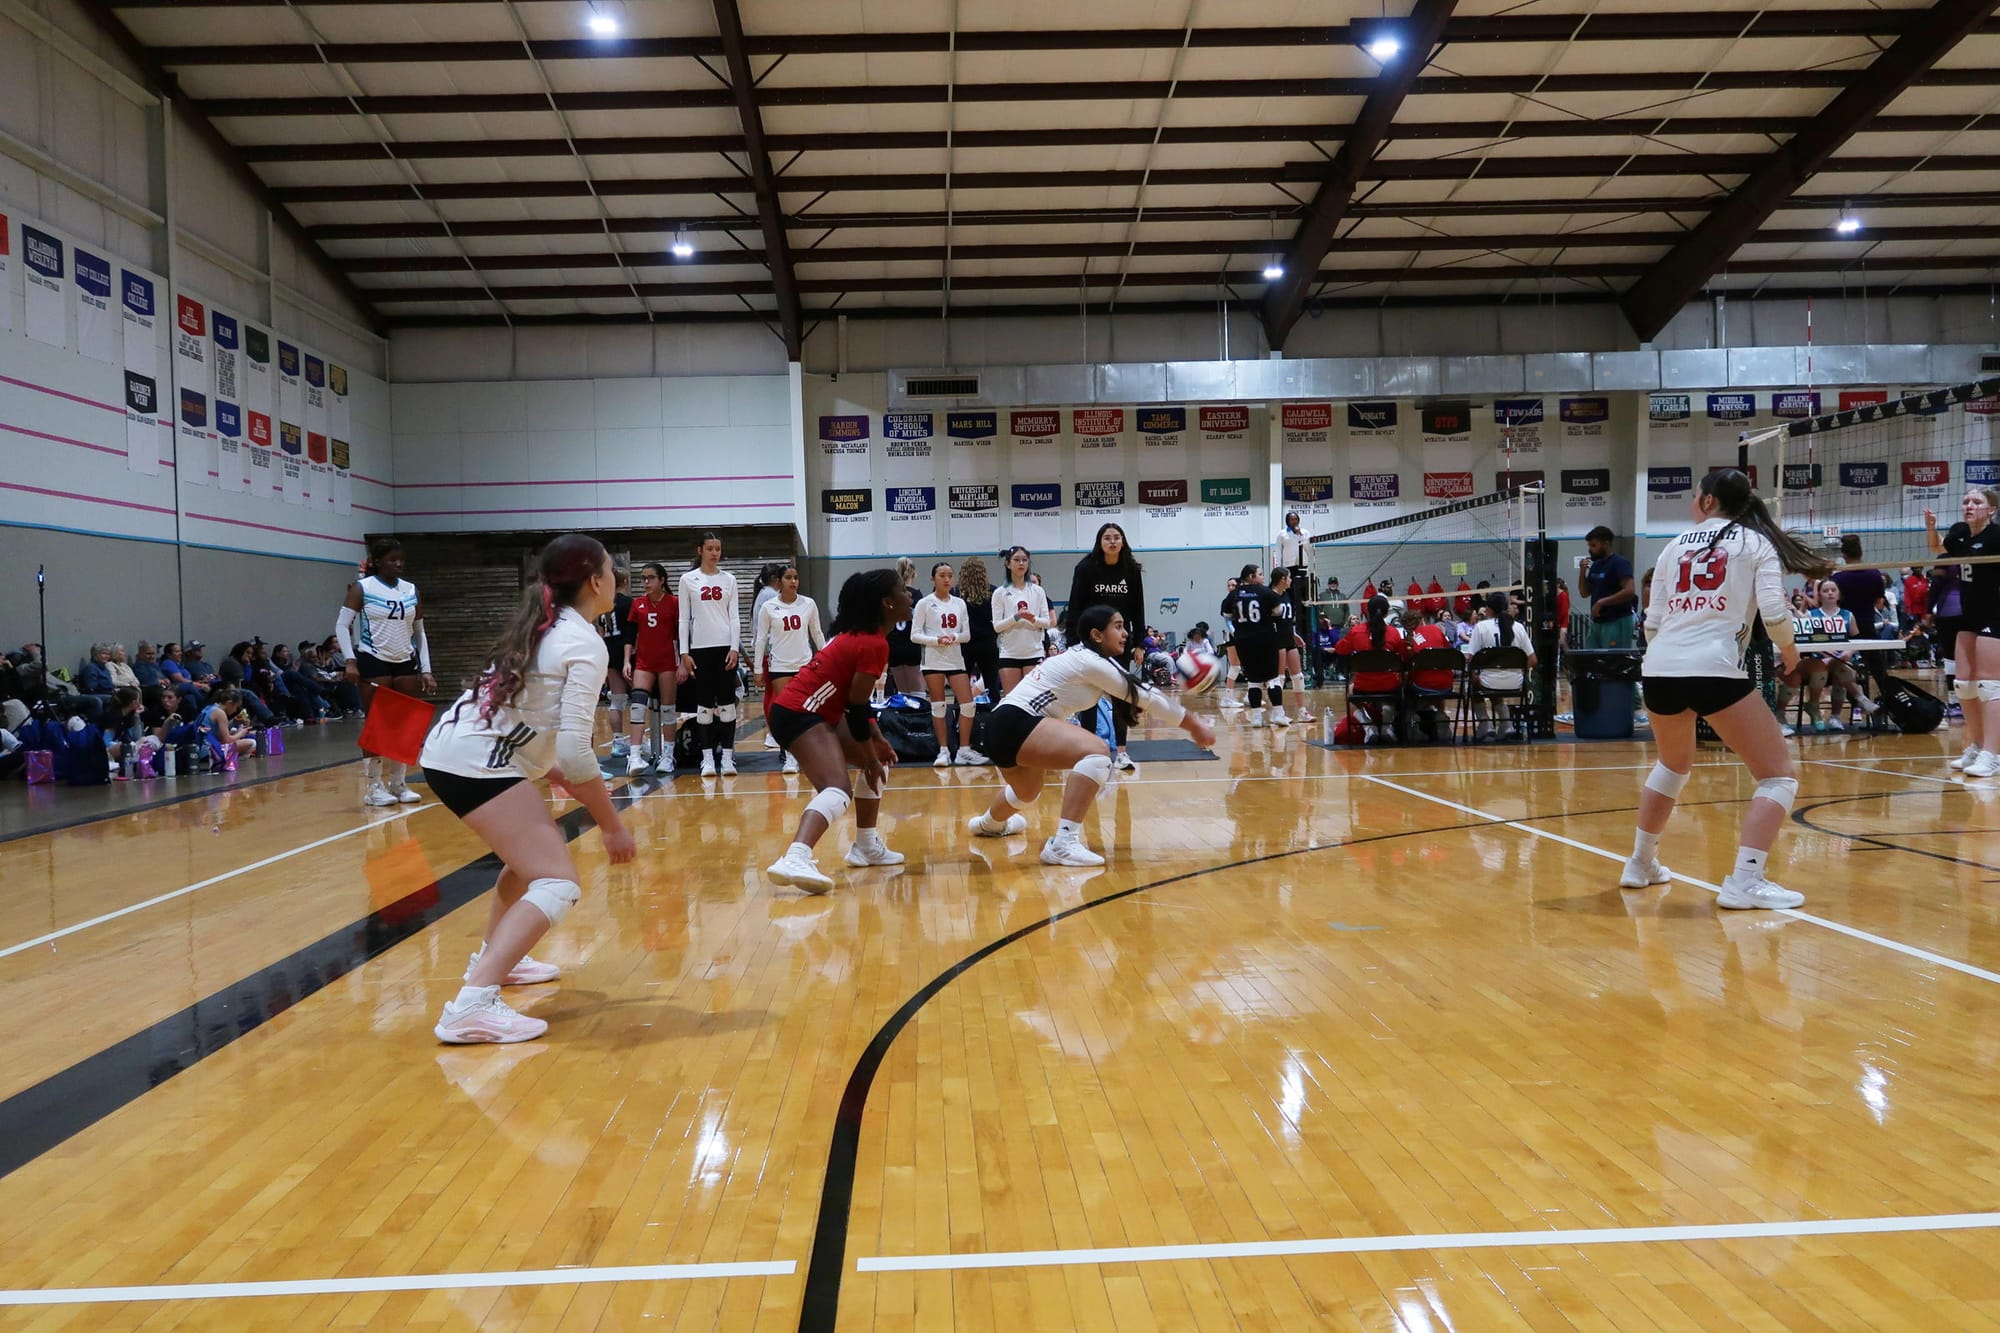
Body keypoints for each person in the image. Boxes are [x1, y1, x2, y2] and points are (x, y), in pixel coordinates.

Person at [421, 533, 635, 1044]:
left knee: (526, 866)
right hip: (475, 762)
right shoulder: (583, 641)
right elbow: (577, 753)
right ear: (595, 581)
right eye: (611, 570)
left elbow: (529, 723)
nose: (617, 579)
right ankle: (472, 1004)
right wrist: (611, 826)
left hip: (452, 751)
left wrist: (554, 772)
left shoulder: (546, 625)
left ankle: (499, 959)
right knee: (558, 882)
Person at [1628, 468, 1829, 909]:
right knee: (1778, 775)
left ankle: (1640, 864)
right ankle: (1745, 881)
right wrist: (1790, 653)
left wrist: (1665, 660)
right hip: (1714, 668)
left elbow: (1652, 623)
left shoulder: (1673, 546)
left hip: (1659, 668)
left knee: (1672, 766)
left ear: (1708, 501)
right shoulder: (1756, 543)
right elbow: (1774, 613)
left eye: (1694, 494)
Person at [967, 605, 1215, 866]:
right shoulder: (1089, 662)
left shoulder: (1092, 660)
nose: (1125, 633)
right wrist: (1194, 725)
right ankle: (1063, 844)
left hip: (1002, 727)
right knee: (1097, 752)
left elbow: (1137, 691)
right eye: (1118, 627)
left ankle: (989, 824)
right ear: (1097, 635)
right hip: (1015, 722)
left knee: (1026, 792)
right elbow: (1146, 696)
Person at [764, 570, 911, 891]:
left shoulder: (864, 638)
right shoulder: (872, 643)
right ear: (887, 603)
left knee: (881, 759)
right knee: (837, 789)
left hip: (812, 711)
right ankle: (795, 857)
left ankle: (866, 846)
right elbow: (856, 708)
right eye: (903, 590)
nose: (909, 595)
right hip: (799, 714)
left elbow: (855, 702)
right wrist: (869, 757)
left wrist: (877, 742)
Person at [338, 537, 435, 806]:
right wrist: (350, 661)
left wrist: (426, 669)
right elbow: (341, 626)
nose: (399, 564)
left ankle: (399, 784)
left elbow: (420, 632)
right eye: (393, 559)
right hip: (373, 659)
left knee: (404, 724)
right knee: (377, 724)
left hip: (405, 660)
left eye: (401, 560)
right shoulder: (363, 588)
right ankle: (373, 788)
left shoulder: (411, 589)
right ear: (378, 561)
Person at [1927, 487, 2000, 776]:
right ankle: (1977, 746)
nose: (1969, 505)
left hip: (1995, 615)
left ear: (1991, 510)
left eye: (1976, 502)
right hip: (1968, 615)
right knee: (1964, 684)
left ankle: (1994, 754)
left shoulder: (1996, 536)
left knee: (1989, 685)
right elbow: (1937, 547)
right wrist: (1931, 527)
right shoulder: (1960, 535)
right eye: (1966, 501)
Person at [1064, 523, 1146, 771]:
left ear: (1123, 542)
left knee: (1121, 695)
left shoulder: (1131, 569)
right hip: (1091, 641)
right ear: (1100, 542)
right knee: (1089, 696)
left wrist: (1139, 643)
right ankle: (1090, 751)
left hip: (1119, 641)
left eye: (1116, 537)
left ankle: (1121, 752)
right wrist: (1072, 642)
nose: (1112, 541)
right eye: (1107, 537)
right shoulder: (1085, 568)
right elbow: (1074, 605)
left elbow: (1138, 607)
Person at [750, 562, 826, 775]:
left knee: (807, 710)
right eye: (788, 578)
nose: (793, 581)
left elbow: (817, 633)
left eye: (796, 578)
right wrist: (757, 669)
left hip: (804, 664)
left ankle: (809, 753)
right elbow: (760, 639)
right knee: (787, 712)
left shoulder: (808, 604)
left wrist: (827, 659)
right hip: (780, 666)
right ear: (779, 581)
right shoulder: (769, 607)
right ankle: (790, 756)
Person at [677, 531, 742, 777]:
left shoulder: (729, 579)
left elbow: (734, 617)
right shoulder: (688, 579)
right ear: (700, 551)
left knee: (727, 706)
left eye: (718, 549)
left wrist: (734, 647)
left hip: (725, 648)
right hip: (700, 650)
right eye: (710, 549)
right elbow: (683, 619)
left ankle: (727, 758)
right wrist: (684, 652)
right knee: (703, 707)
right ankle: (707, 760)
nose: (715, 553)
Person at [912, 561, 986, 766]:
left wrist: (954, 637)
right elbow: (914, 635)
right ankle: (943, 751)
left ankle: (964, 750)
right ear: (933, 579)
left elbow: (967, 635)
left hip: (955, 659)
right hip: (933, 660)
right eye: (942, 575)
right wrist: (936, 640)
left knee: (968, 705)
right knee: (938, 705)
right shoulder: (924, 603)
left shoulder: (959, 603)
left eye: (950, 575)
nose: (946, 579)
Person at [622, 562, 680, 775]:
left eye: (651, 578)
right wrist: (627, 661)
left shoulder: (674, 602)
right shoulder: (638, 604)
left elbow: (681, 633)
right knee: (637, 706)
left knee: (668, 709)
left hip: (668, 663)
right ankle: (634, 756)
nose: (646, 582)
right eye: (643, 578)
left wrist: (683, 662)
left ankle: (668, 755)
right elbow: (630, 636)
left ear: (662, 580)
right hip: (644, 663)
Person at [1463, 590, 1537, 741]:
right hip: (1516, 682)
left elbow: (1470, 659)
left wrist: (1477, 674)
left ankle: (1485, 723)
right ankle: (1506, 723)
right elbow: (1533, 660)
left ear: (1489, 609)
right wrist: (1515, 669)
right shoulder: (1518, 627)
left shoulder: (1481, 627)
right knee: (1495, 683)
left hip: (1489, 681)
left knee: (1472, 684)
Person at [1335, 595, 1409, 742]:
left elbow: (1339, 649)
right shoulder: (1394, 633)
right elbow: (1403, 657)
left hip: (1363, 686)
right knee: (1400, 686)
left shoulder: (1356, 631)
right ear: (1386, 613)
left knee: (1350, 690)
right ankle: (1387, 725)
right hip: (1389, 686)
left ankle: (1369, 726)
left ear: (1367, 612)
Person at [1225, 565, 1289, 727]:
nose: (1263, 577)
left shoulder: (1234, 594)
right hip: (1266, 640)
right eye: (1260, 574)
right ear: (1251, 576)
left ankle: (1256, 718)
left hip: (1244, 642)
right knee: (1273, 678)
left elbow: (1227, 615)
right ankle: (1278, 713)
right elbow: (1277, 613)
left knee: (1253, 681)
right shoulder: (1267, 592)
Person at [992, 546, 1054, 693]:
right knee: (1012, 699)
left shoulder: (1038, 591)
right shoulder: (1000, 593)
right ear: (1008, 564)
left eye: (1024, 560)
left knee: (1033, 699)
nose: (1021, 563)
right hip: (1009, 654)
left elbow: (1047, 622)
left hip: (1034, 653)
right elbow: (997, 626)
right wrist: (1016, 617)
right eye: (1017, 560)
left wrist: (1033, 619)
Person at [596, 563, 635, 760]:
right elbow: (633, 633)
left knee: (617, 699)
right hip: (626, 652)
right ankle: (638, 741)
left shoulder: (603, 606)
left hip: (609, 653)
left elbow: (600, 636)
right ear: (626, 582)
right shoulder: (628, 603)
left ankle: (618, 742)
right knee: (639, 697)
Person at [1270, 567, 1313, 722]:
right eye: (1288, 578)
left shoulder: (1286, 594)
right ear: (1282, 579)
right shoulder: (1270, 596)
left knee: (1298, 676)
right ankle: (1277, 711)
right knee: (1279, 677)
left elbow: (1287, 619)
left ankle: (1302, 711)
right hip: (1277, 639)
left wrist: (1294, 634)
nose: (1290, 581)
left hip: (1288, 637)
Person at [958, 556, 1000, 702]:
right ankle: (994, 713)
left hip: (965, 644)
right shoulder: (993, 591)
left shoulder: (957, 593)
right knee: (992, 685)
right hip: (988, 643)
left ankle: (959, 714)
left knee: (961, 686)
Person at [1830, 534, 1887, 641]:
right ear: (1861, 553)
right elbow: (1879, 602)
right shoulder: (1875, 574)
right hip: (1867, 623)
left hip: (1844, 625)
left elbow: (1832, 603)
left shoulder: (1837, 578)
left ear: (1843, 555)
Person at [886, 556, 924, 697]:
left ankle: (904, 711)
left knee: (902, 691)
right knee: (917, 690)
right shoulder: (917, 596)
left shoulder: (891, 595)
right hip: (911, 645)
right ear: (913, 573)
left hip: (893, 646)